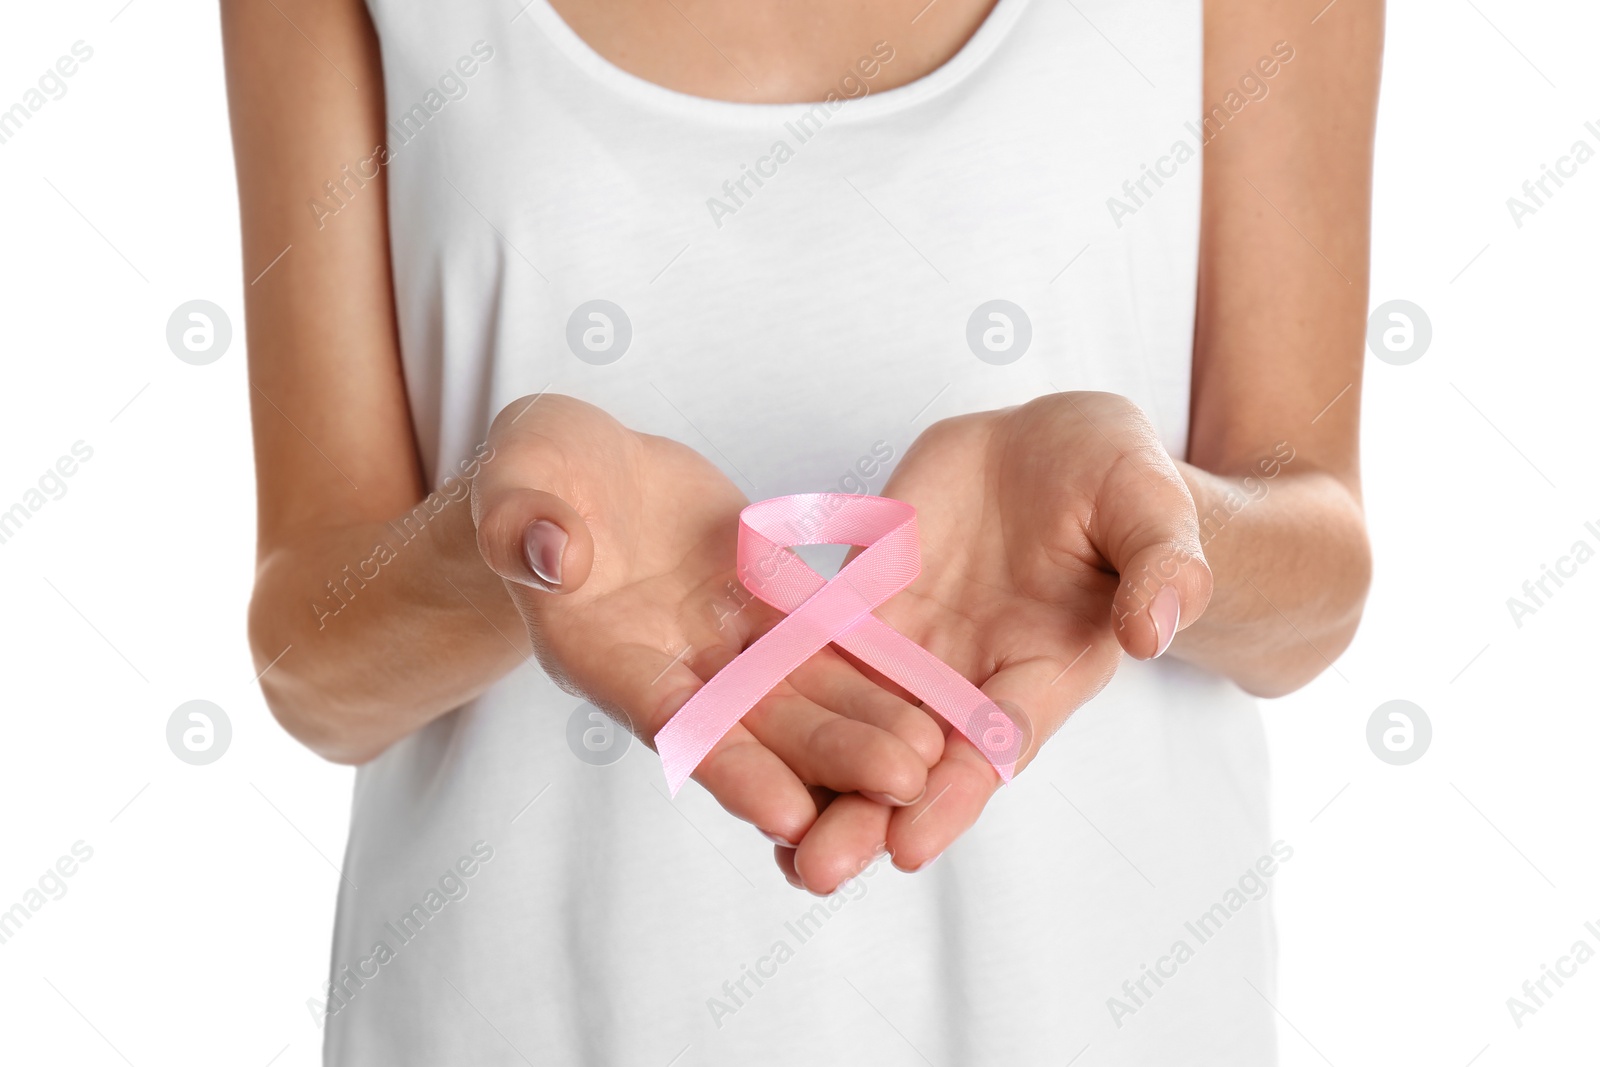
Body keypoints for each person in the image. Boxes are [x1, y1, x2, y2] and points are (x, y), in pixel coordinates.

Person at [223, 0, 1380, 1062]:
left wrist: (1161, 531)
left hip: (1090, 1011)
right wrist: (508, 542)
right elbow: (314, 670)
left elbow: (1317, 585)